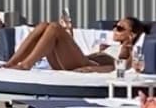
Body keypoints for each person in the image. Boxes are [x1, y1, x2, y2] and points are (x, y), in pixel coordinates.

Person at [8, 15, 147, 73]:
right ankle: (12, 61)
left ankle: (26, 64)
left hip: (88, 64)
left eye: (120, 28)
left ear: (132, 34)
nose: (114, 29)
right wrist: (69, 35)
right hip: (79, 61)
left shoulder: (129, 49)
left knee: (55, 27)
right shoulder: (110, 45)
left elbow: (119, 68)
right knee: (44, 25)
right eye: (115, 25)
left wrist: (92, 70)